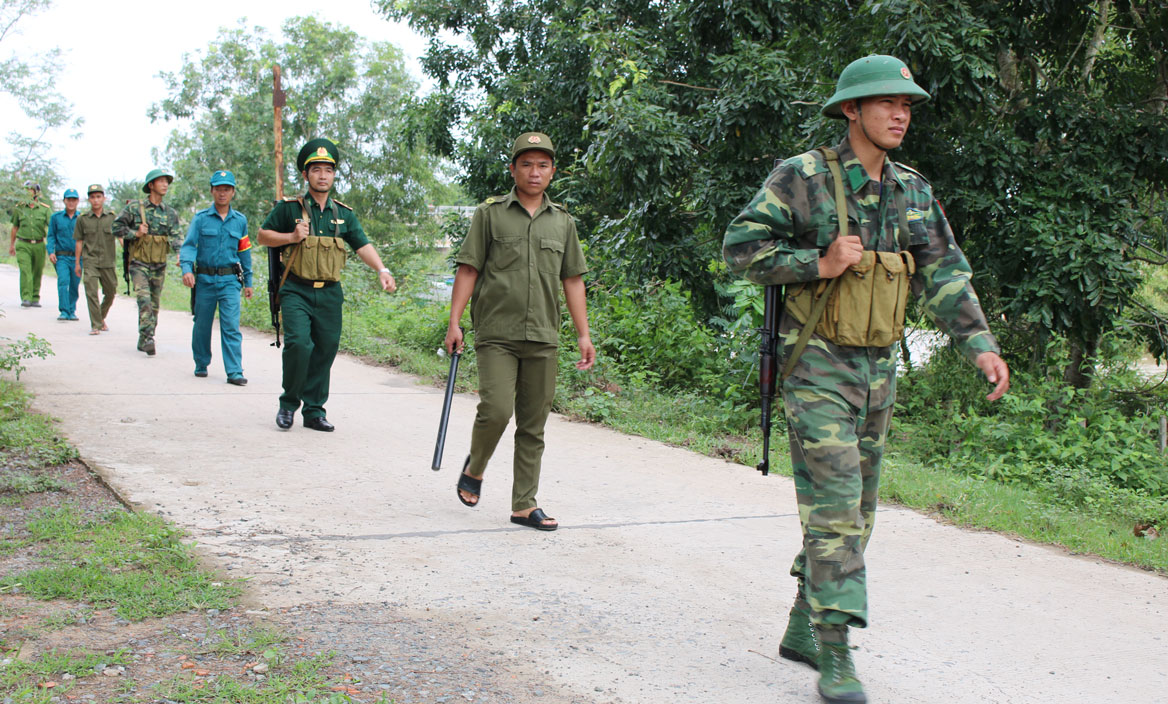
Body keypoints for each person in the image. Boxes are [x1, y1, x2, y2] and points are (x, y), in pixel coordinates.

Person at [722, 55, 1010, 704]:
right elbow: (740, 247)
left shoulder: (912, 189)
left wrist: (981, 346)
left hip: (879, 371)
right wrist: (817, 262)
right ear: (851, 109)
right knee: (836, 510)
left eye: (906, 104)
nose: (901, 113)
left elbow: (946, 271)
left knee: (859, 514)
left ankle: (803, 622)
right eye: (885, 102)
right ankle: (836, 651)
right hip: (816, 368)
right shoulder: (803, 179)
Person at [444, 131, 595, 532]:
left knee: (534, 422)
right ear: (513, 169)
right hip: (496, 331)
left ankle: (524, 504)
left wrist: (583, 334)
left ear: (552, 171)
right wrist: (455, 322)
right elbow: (469, 269)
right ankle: (476, 466)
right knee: (496, 409)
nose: (534, 172)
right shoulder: (490, 214)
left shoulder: (562, 221)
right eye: (526, 164)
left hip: (544, 334)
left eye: (542, 165)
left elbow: (573, 280)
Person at [257, 138, 397, 431]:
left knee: (325, 350)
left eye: (328, 170)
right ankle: (288, 404)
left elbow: (362, 244)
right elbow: (262, 236)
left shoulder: (343, 214)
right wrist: (291, 237)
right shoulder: (288, 209)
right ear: (306, 175)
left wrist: (382, 269)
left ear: (334, 176)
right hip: (296, 289)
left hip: (330, 293)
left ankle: (314, 411)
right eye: (316, 169)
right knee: (298, 344)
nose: (323, 175)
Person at [179, 170, 253, 385]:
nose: (222, 193)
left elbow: (244, 252)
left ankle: (235, 371)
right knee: (202, 324)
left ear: (233, 193)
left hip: (230, 281)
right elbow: (189, 246)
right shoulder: (201, 219)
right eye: (218, 189)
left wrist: (248, 282)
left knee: (231, 325)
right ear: (212, 191)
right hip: (205, 280)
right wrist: (187, 269)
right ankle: (201, 363)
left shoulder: (240, 221)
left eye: (227, 189)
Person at [113, 168, 181, 356]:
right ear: (151, 185)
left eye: (167, 181)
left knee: (155, 305)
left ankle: (144, 338)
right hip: (139, 264)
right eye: (161, 181)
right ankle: (149, 337)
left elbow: (176, 235)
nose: (165, 184)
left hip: (159, 264)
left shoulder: (170, 213)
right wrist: (135, 233)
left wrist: (179, 254)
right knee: (144, 301)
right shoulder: (135, 208)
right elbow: (116, 227)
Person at [73, 184, 119, 334]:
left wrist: (128, 254)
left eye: (98, 197)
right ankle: (96, 325)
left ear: (104, 199)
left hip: (108, 261)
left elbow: (120, 237)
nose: (96, 200)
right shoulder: (83, 219)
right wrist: (77, 263)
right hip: (90, 260)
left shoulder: (112, 217)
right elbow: (79, 241)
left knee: (111, 292)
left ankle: (100, 317)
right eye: (92, 197)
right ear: (89, 199)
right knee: (91, 293)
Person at [8, 180, 51, 307]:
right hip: (23, 243)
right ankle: (26, 297)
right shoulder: (19, 208)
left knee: (37, 271)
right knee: (26, 270)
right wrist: (12, 244)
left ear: (36, 193)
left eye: (30, 190)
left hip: (39, 244)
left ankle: (35, 297)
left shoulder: (45, 209)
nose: (28, 193)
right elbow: (15, 227)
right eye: (26, 190)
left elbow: (52, 227)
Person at [47, 188, 82, 320]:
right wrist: (51, 252)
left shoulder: (82, 218)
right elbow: (51, 236)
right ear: (64, 201)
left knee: (74, 284)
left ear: (78, 201)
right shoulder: (55, 218)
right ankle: (64, 311)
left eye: (74, 200)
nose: (71, 202)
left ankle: (72, 310)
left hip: (78, 258)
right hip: (61, 256)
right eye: (69, 200)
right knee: (63, 282)